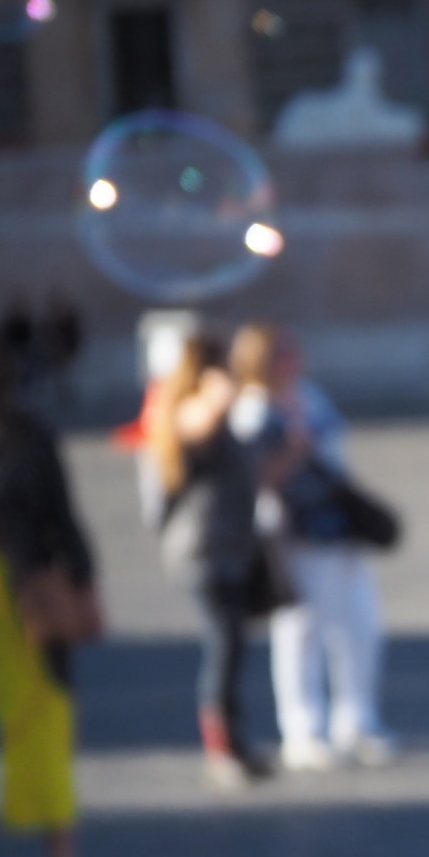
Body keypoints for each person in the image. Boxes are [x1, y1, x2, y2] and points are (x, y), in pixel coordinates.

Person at [0, 326, 97, 857]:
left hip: (20, 591)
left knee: (40, 720)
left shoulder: (28, 438)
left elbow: (61, 516)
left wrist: (81, 581)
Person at [228, 324, 396, 771]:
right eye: (282, 352)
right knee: (302, 630)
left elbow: (337, 453)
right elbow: (253, 478)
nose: (293, 358)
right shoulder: (252, 411)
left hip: (339, 525)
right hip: (295, 530)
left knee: (359, 624)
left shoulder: (308, 395)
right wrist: (293, 452)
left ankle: (357, 720)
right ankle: (303, 730)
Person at [142, 333, 279, 787]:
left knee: (234, 645)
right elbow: (196, 423)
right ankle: (222, 749)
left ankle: (235, 742)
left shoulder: (208, 413)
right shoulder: (189, 411)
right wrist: (219, 397)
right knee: (223, 647)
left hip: (228, 547)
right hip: (203, 550)